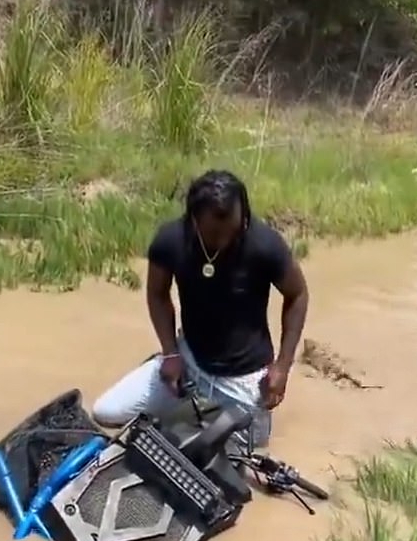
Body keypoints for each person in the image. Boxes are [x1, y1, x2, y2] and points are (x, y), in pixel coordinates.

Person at [92, 169, 309, 449]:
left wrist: (282, 367)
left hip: (242, 378)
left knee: (239, 453)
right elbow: (157, 294)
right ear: (194, 221)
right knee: (106, 412)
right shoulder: (170, 240)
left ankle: (193, 417)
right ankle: (174, 389)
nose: (226, 240)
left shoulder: (264, 245)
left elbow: (298, 294)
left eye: (235, 227)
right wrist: (170, 352)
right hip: (189, 363)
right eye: (216, 234)